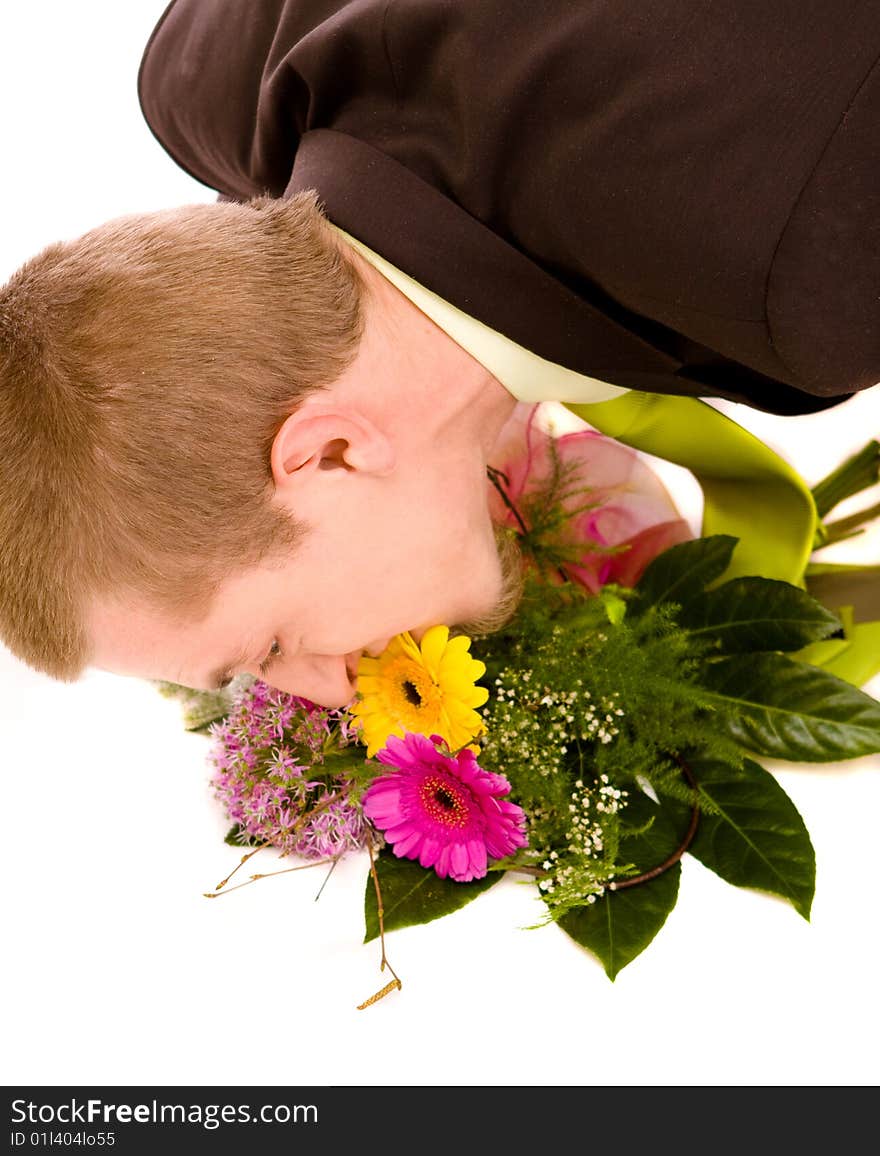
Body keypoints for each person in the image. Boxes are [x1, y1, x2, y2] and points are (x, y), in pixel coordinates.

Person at [0, 0, 878, 707]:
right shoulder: (201, 67)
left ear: (332, 450)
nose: (323, 693)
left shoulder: (814, 269)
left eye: (267, 650)